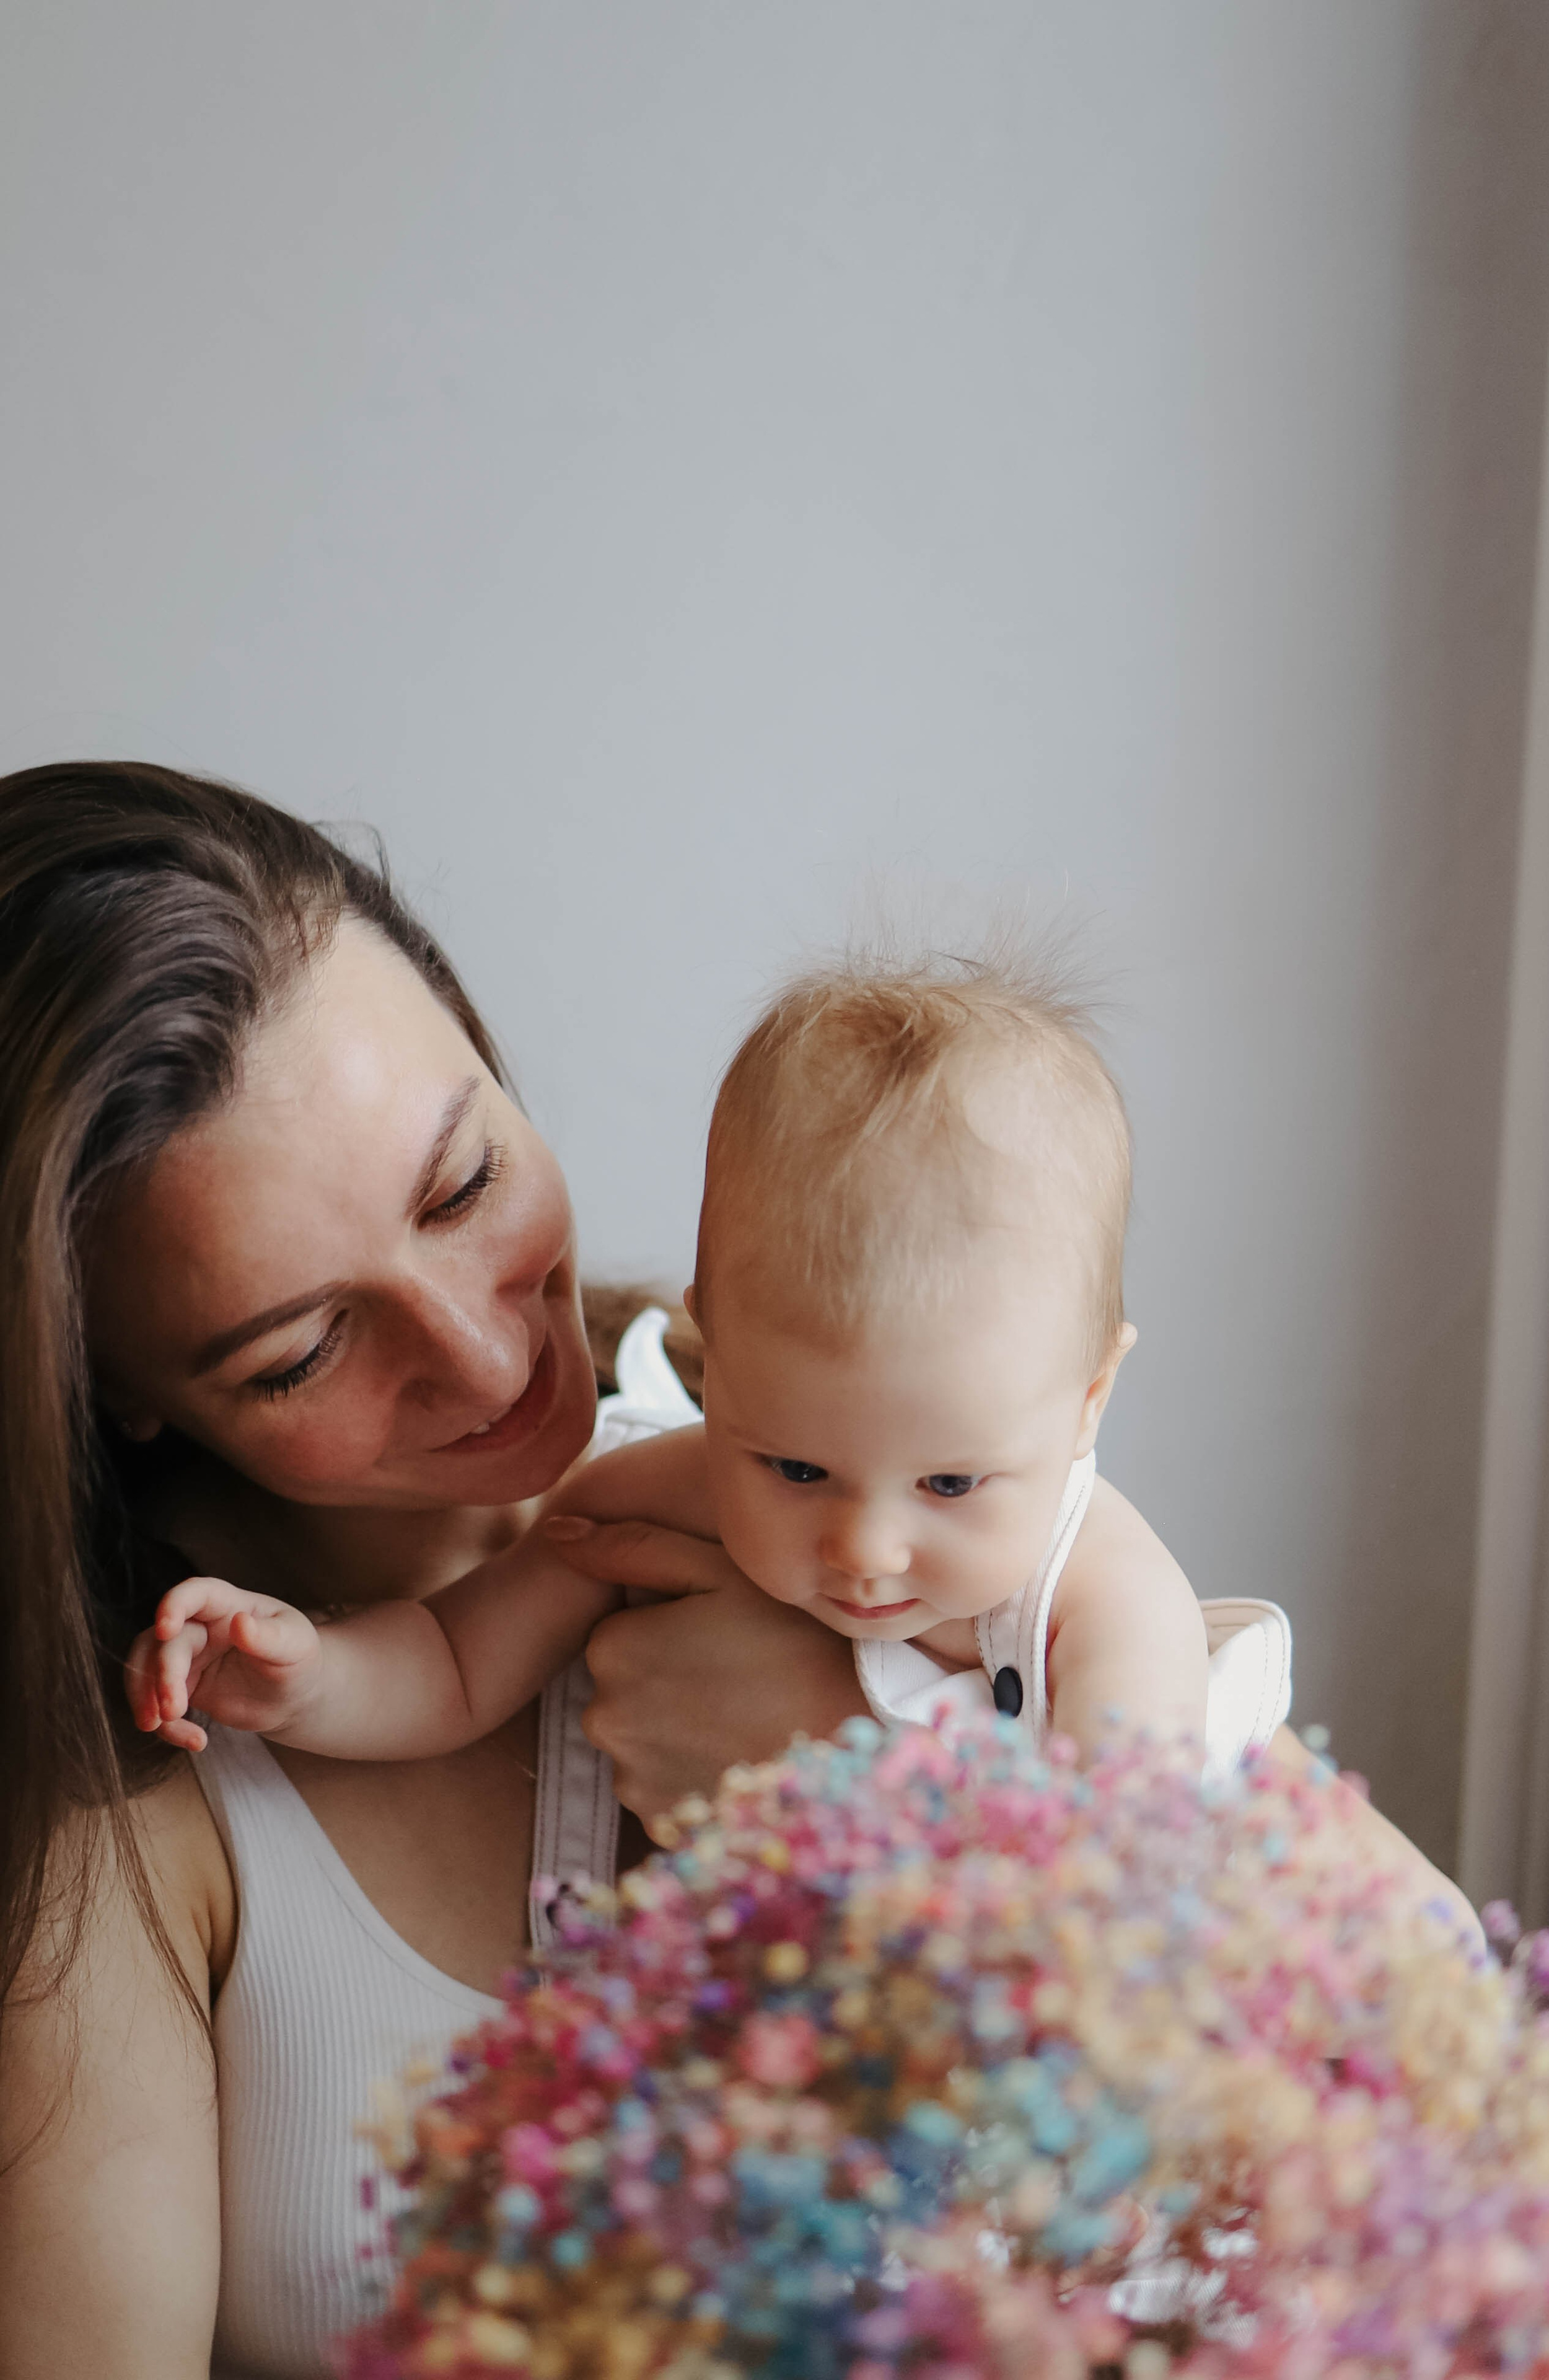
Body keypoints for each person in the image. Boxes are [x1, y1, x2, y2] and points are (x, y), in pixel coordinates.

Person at [0, 760, 1467, 2380]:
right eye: (305, 1349)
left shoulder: (864, 1447)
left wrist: (888, 1806)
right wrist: (308, 1674)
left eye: (466, 1182)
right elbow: (444, 1670)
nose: (489, 1360)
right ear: (112, 1389)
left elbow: (1461, 2086)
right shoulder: (136, 1800)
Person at [128, 948, 1223, 1777]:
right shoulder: (663, 1492)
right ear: (718, 1360)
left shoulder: (1102, 1597)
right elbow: (458, 1668)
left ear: (1087, 1405)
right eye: (793, 1469)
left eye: (949, 1484)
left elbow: (1114, 1891)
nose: (865, 1548)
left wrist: (857, 1778)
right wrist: (310, 1679)